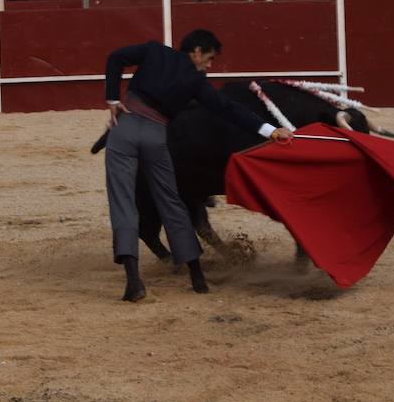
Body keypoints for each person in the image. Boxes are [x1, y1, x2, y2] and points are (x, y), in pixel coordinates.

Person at [102, 29, 292, 301]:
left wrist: (112, 99)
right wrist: (270, 131)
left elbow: (115, 58)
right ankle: (197, 278)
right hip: (157, 136)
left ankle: (134, 282)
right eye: (210, 58)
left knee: (123, 202)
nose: (209, 65)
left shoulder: (154, 51)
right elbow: (227, 109)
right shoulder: (196, 82)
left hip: (126, 127)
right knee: (172, 202)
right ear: (197, 51)